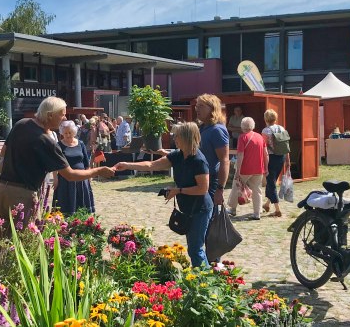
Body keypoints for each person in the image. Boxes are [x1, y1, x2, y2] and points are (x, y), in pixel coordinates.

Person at [0, 97, 114, 227]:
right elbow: (70, 175)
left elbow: (3, 152)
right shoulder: (46, 141)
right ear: (50, 115)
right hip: (22, 196)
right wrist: (99, 170)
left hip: (3, 190)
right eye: (61, 115)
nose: (64, 118)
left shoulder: (21, 124)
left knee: (2, 235)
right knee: (24, 237)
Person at [113, 122, 212, 267]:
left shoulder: (199, 160)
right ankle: (203, 276)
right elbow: (152, 165)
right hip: (188, 208)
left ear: (186, 137)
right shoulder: (178, 155)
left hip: (200, 209)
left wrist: (178, 190)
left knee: (195, 249)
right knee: (194, 248)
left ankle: (205, 278)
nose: (174, 138)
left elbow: (202, 189)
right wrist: (127, 165)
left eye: (177, 136)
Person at [227, 117, 268, 220]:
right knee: (257, 190)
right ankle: (257, 212)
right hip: (258, 168)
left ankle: (232, 209)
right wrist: (266, 168)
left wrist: (237, 171)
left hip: (245, 168)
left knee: (236, 186)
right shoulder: (260, 137)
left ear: (242, 126)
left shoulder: (242, 137)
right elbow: (266, 154)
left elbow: (240, 155)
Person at [52, 120, 95, 216]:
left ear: (74, 132)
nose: (68, 135)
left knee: (82, 204)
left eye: (70, 132)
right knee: (66, 204)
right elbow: (55, 164)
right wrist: (55, 179)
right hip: (65, 179)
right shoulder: (58, 145)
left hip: (81, 178)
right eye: (65, 133)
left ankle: (82, 220)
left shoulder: (81, 144)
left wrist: (89, 175)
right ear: (62, 133)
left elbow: (86, 162)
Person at [195, 94, 230, 207]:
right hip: (199, 178)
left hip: (211, 181)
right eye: (197, 106)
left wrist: (220, 189)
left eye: (201, 106)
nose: (197, 109)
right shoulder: (202, 128)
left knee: (208, 214)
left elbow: (224, 160)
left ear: (212, 108)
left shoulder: (217, 130)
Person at [261, 109, 285, 217]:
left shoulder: (266, 131)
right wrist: (287, 160)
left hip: (270, 158)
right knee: (272, 181)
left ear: (266, 119)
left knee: (271, 182)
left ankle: (277, 209)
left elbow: (263, 147)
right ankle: (267, 204)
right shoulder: (282, 128)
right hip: (281, 157)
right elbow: (286, 146)